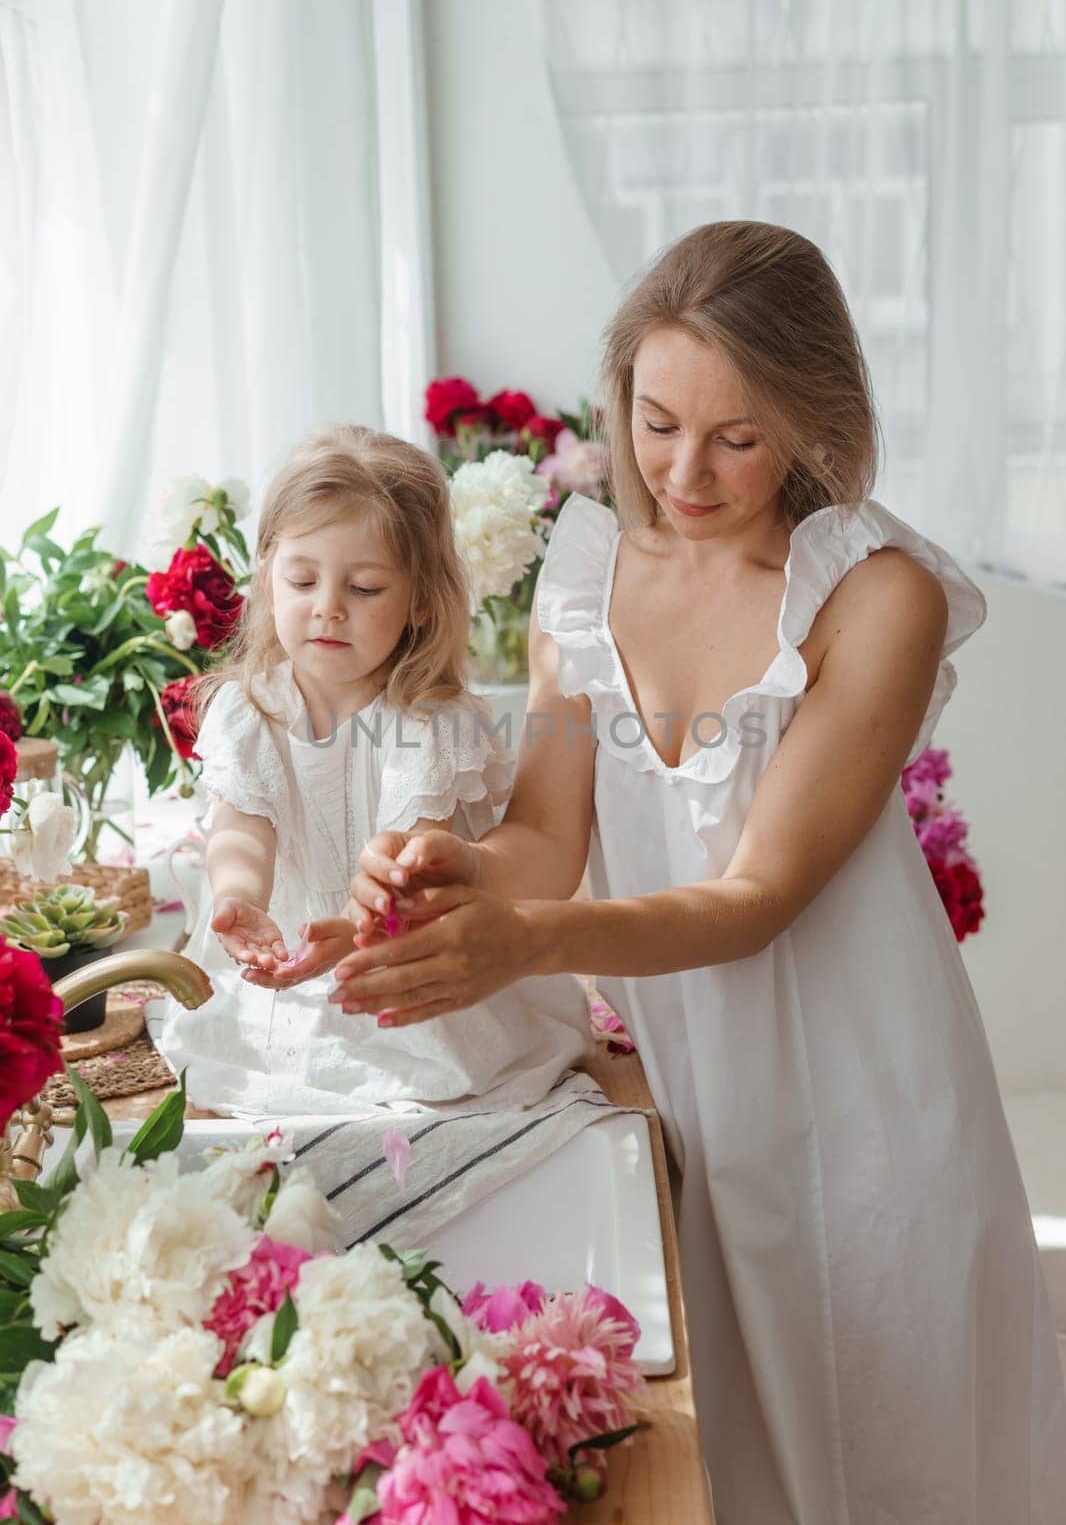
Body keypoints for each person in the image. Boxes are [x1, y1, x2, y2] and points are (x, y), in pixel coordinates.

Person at [340, 224, 1066, 1521]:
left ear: (810, 417)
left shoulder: (875, 595)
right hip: (689, 1112)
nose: (683, 470)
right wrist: (456, 867)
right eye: (657, 420)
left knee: (899, 1459)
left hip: (872, 1121)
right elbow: (545, 829)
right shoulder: (581, 581)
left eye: (735, 436)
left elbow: (755, 898)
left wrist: (527, 935)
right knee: (719, 1465)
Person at [158, 425, 593, 1115]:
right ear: (269, 574)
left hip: (402, 957)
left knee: (421, 1076)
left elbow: (411, 866)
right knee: (236, 1067)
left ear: (419, 599)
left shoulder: (430, 721)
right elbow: (243, 827)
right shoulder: (250, 709)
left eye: (364, 587)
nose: (328, 605)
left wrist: (362, 928)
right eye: (303, 579)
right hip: (288, 960)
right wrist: (242, 896)